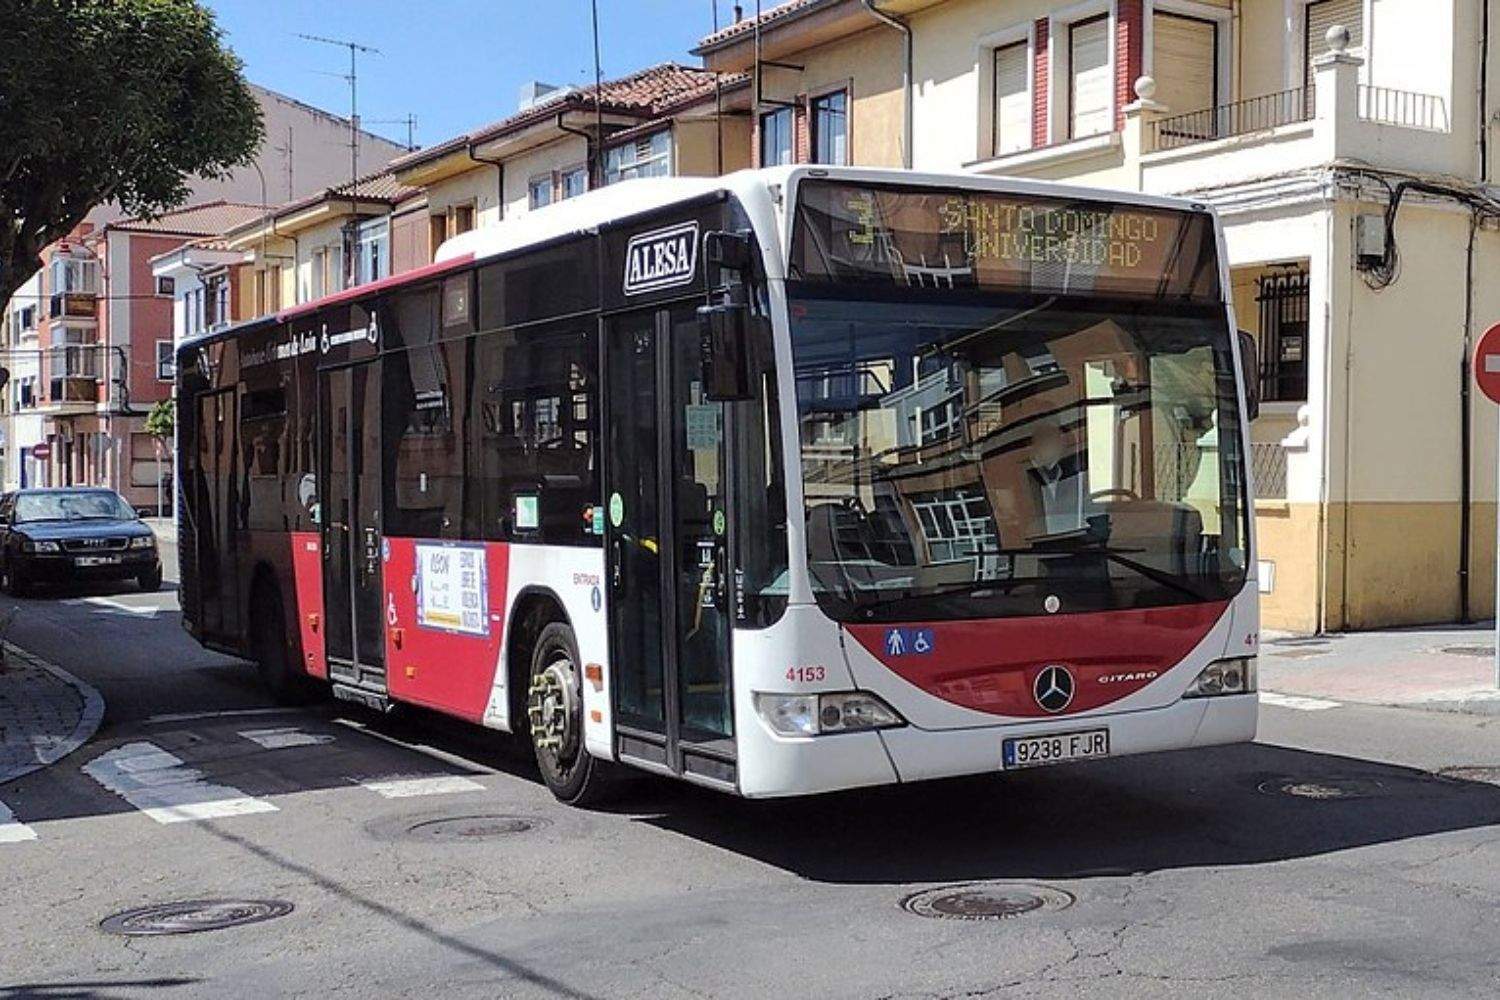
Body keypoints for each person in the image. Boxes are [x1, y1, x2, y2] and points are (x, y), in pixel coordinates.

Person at [1025, 416, 1088, 537]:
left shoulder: (1076, 475)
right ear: (1031, 442)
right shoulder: (1017, 478)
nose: (1053, 441)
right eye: (1045, 435)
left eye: (1058, 435)